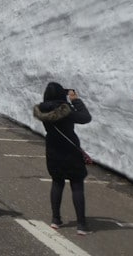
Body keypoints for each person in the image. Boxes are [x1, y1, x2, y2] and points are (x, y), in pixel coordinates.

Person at [33, 83, 92, 235]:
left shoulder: (42, 109)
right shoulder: (66, 109)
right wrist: (75, 100)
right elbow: (86, 117)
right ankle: (81, 224)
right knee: (77, 185)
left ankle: (55, 219)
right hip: (70, 151)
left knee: (57, 183)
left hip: (53, 150)